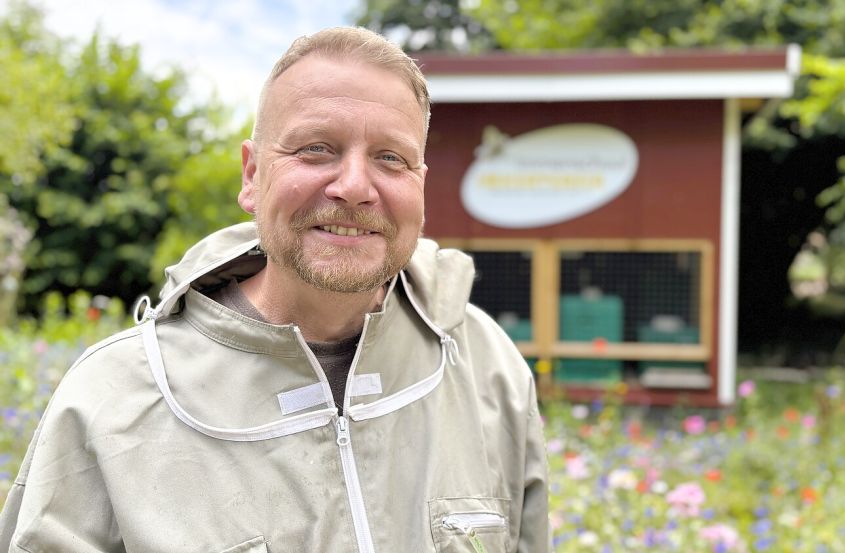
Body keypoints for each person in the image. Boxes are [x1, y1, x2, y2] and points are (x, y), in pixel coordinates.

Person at [0, 27, 549, 552]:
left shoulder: (486, 366)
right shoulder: (111, 399)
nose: (354, 187)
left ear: (419, 185)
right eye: (316, 149)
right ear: (252, 175)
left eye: (390, 158)